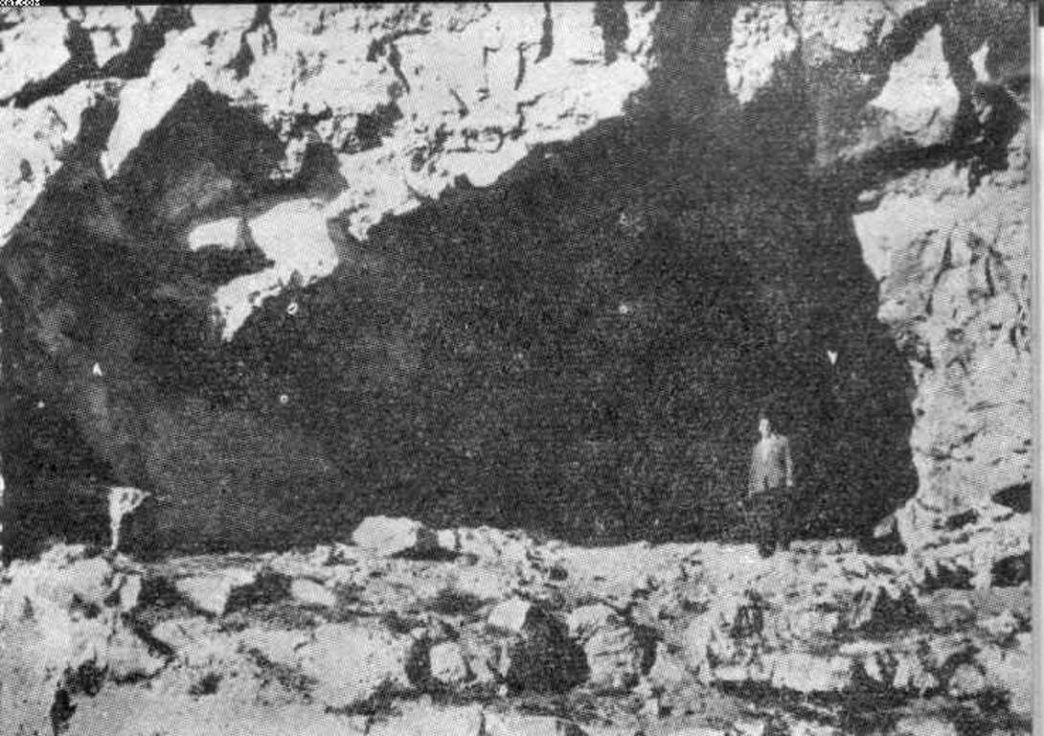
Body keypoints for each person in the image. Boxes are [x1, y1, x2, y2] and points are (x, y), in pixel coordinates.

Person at [746, 412, 794, 556]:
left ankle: (783, 547)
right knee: (764, 518)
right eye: (762, 425)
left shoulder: (782, 441)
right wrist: (751, 488)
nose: (765, 428)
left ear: (771, 427)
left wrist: (789, 479)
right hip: (761, 487)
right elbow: (753, 469)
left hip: (777, 483)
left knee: (780, 516)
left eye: (767, 425)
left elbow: (788, 461)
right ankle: (767, 548)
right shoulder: (757, 447)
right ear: (759, 428)